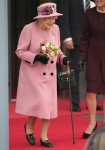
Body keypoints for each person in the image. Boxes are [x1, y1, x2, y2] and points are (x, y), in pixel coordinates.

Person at [15, 2, 69, 147]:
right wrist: (36, 57)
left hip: (50, 74)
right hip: (33, 74)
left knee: (48, 106)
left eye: (54, 18)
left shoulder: (55, 29)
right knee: (40, 103)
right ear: (40, 18)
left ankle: (44, 136)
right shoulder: (29, 29)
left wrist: (63, 58)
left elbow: (56, 50)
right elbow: (20, 51)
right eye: (49, 19)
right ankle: (29, 127)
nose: (52, 21)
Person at [57, 0, 102, 112]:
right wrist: (67, 37)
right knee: (75, 71)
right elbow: (63, 16)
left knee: (95, 72)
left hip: (95, 41)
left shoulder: (96, 1)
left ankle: (92, 103)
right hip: (76, 40)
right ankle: (75, 103)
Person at [78, 0, 105, 139]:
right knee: (91, 92)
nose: (98, 0)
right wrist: (82, 57)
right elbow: (85, 38)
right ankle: (92, 123)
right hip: (93, 57)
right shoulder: (89, 14)